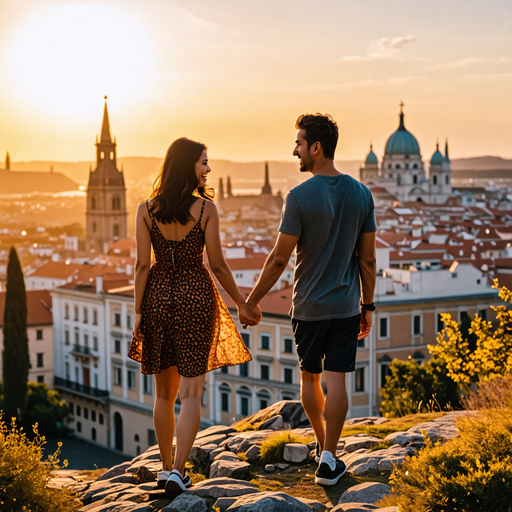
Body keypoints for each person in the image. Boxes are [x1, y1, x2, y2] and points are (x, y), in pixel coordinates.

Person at [245, 113, 377, 486]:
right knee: (338, 380)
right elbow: (367, 259)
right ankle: (331, 457)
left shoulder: (299, 197)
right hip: (346, 305)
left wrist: (252, 301)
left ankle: (321, 443)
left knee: (310, 377)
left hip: (308, 306)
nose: (295, 151)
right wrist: (368, 306)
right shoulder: (361, 193)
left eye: (300, 144)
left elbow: (278, 259)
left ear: (316, 148)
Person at [128, 137, 260, 496]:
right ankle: (178, 473)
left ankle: (165, 468)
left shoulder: (145, 209)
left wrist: (138, 311)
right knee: (190, 394)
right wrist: (241, 303)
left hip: (157, 297)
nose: (208, 168)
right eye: (204, 162)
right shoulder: (205, 210)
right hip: (195, 297)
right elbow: (216, 264)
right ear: (188, 166)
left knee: (163, 395)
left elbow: (142, 265)